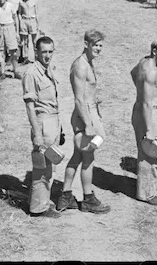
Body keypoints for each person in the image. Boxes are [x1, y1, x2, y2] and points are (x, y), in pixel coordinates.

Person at [57, 30, 110, 214]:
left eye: (100, 45)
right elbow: (79, 99)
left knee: (79, 156)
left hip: (90, 112)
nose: (98, 48)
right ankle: (88, 199)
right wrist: (88, 124)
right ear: (86, 43)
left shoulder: (88, 63)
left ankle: (65, 195)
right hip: (84, 115)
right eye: (95, 45)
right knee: (88, 157)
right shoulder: (80, 66)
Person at [22, 36, 62, 218]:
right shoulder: (32, 73)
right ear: (36, 52)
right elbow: (30, 106)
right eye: (44, 51)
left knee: (50, 166)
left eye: (50, 51)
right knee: (41, 167)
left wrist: (60, 130)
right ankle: (39, 208)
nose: (47, 55)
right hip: (42, 123)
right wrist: (37, 133)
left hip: (52, 121)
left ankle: (41, 200)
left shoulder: (47, 70)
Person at [130, 38, 157, 206]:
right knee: (149, 152)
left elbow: (132, 73)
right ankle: (147, 193)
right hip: (147, 113)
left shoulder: (143, 61)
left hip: (143, 110)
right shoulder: (150, 71)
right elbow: (147, 102)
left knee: (150, 152)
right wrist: (149, 129)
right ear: (155, 51)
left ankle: (151, 184)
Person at [0, 0, 20, 78]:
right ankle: (2, 72)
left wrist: (17, 32)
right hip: (0, 28)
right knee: (1, 51)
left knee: (13, 51)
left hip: (10, 27)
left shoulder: (10, 5)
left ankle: (16, 71)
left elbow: (16, 18)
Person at [18, 0, 40, 64]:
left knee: (34, 41)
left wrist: (38, 24)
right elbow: (19, 13)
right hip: (24, 20)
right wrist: (21, 21)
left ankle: (36, 58)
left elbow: (37, 13)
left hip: (32, 20)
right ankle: (26, 57)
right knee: (25, 41)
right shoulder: (21, 2)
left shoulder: (34, 2)